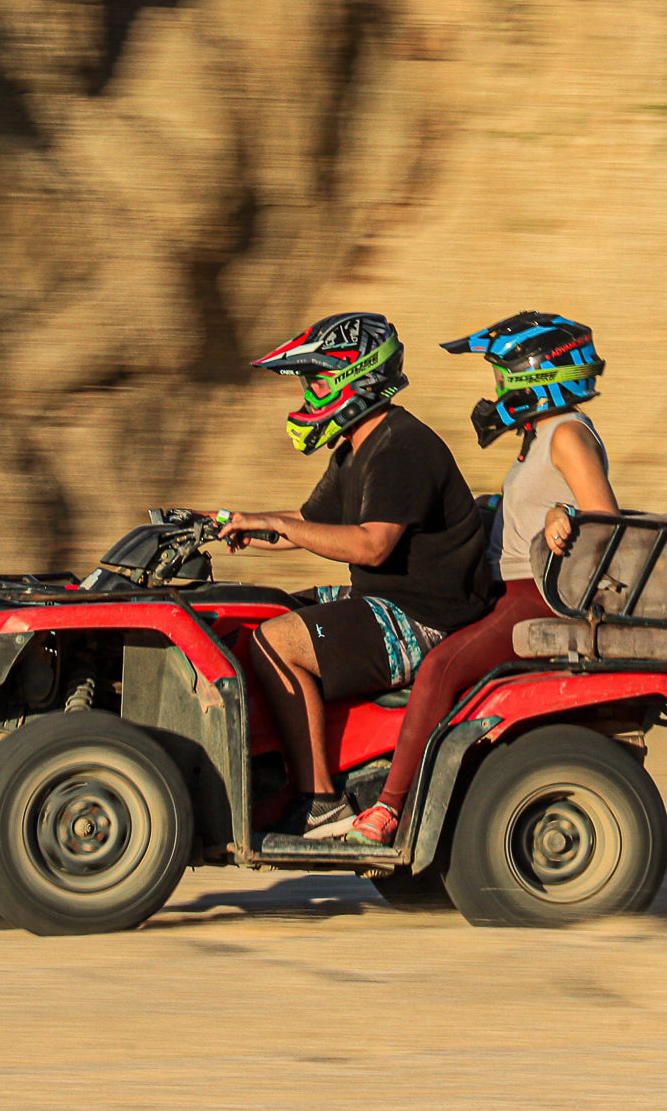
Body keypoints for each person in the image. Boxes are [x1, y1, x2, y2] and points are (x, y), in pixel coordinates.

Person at [345, 311, 619, 846]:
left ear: (537, 376)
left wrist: (564, 513)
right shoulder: (541, 435)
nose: (495, 390)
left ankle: (388, 809)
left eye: (501, 376)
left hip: (535, 595)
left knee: (439, 668)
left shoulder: (567, 434)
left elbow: (606, 519)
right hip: (502, 590)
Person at [215, 313, 490, 838]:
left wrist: (280, 526)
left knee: (277, 641)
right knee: (264, 609)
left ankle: (321, 802)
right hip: (387, 597)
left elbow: (371, 545)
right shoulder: (356, 448)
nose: (307, 396)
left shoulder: (402, 447)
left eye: (315, 382)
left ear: (356, 380)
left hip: (425, 617)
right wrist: (237, 522)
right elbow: (308, 524)